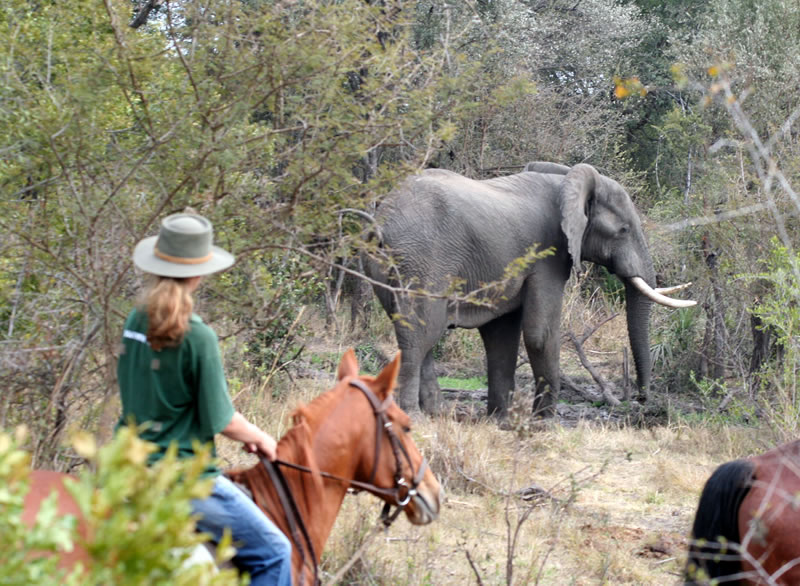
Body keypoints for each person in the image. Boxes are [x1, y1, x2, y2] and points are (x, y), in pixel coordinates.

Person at [116, 213, 292, 585]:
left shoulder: (134, 320)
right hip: (181, 478)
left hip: (126, 468)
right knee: (276, 553)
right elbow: (222, 420)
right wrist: (261, 438)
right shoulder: (198, 337)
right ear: (199, 273)